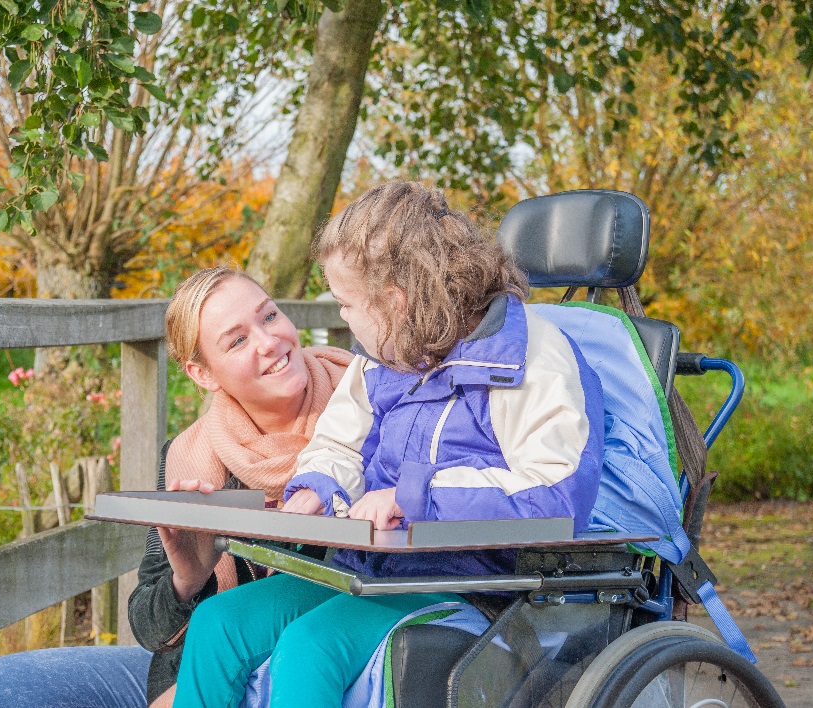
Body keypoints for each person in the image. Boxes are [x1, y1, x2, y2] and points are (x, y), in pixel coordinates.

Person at [171, 181, 606, 708]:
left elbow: (556, 494)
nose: (344, 319)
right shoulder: (384, 359)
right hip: (375, 571)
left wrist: (411, 496)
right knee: (222, 621)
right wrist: (317, 488)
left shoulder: (532, 358)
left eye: (347, 304)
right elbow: (339, 445)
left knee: (312, 647)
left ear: (395, 302)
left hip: (482, 586)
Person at [0, 267, 352, 708]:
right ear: (203, 374)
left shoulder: (367, 414)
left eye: (269, 316)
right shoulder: (189, 456)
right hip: (193, 670)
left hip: (310, 668)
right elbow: (150, 628)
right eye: (237, 340)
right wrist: (189, 578)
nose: (269, 341)